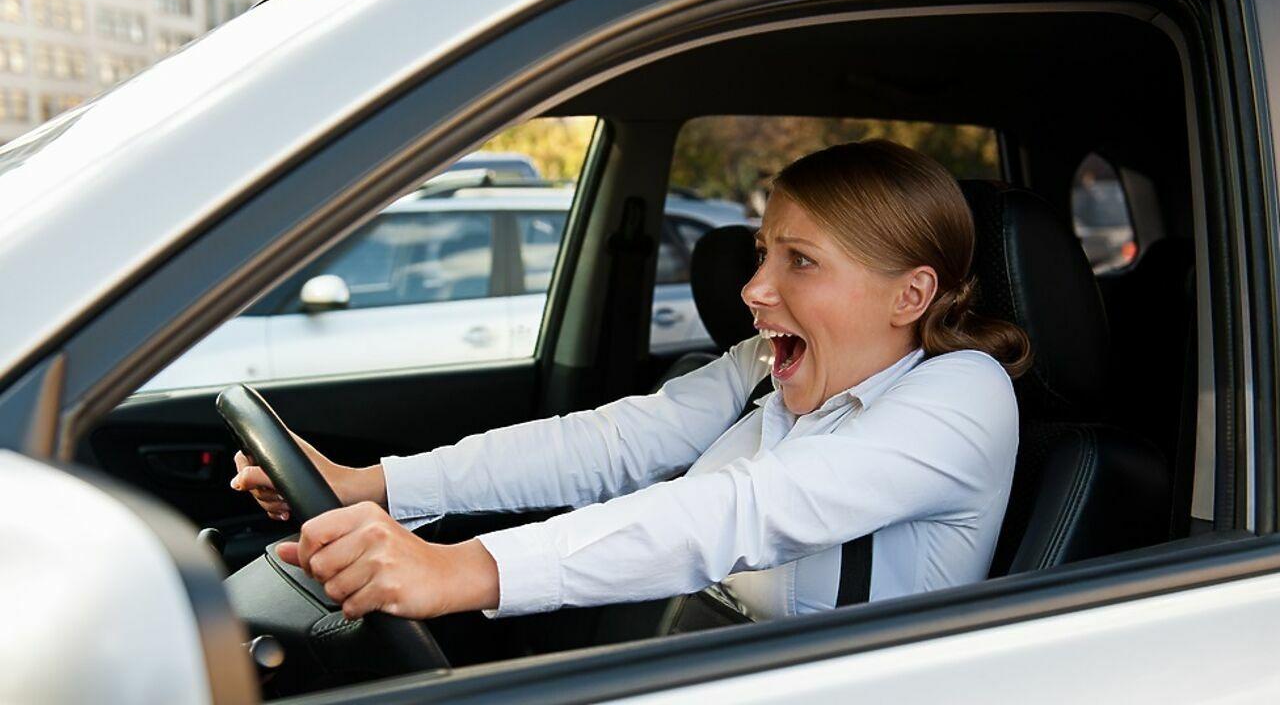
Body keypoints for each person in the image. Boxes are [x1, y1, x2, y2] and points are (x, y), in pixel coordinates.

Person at [230, 140, 1031, 623]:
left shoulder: (964, 396)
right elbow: (606, 444)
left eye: (801, 261)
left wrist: (459, 570)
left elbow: (738, 511)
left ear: (910, 296)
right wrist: (373, 484)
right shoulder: (767, 367)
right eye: (764, 253)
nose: (754, 288)